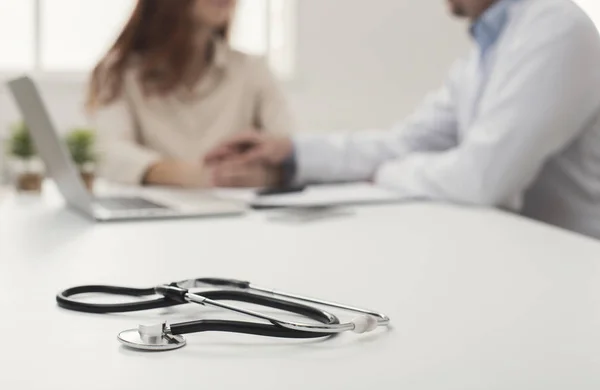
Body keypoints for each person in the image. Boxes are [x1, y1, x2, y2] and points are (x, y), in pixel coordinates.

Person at [205, 0, 600, 239]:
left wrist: (385, 174)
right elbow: (406, 141)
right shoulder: (486, 51)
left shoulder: (559, 28)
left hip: (576, 263)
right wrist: (291, 152)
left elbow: (483, 180)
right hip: (524, 249)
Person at [87, 0, 292, 187]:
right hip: (154, 222)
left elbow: (291, 149)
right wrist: (190, 175)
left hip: (241, 220)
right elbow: (108, 152)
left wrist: (266, 176)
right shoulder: (119, 72)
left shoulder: (252, 69)